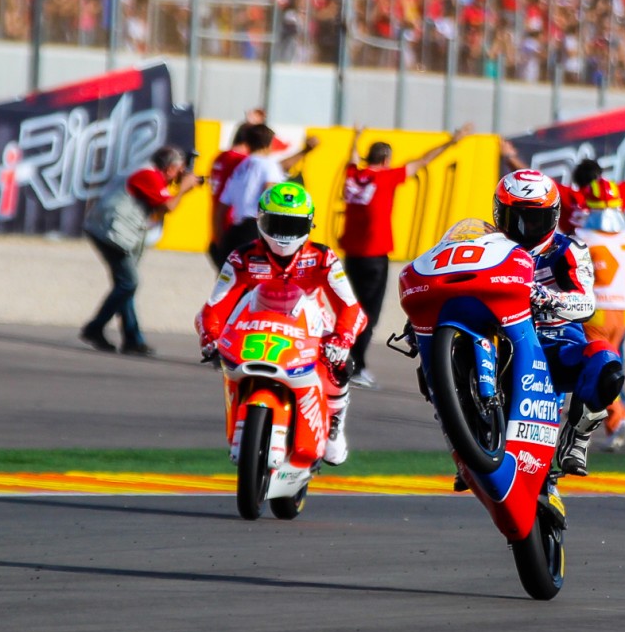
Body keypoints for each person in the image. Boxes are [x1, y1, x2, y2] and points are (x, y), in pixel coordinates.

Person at [196, 182, 368, 466]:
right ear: (260, 220)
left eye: (292, 225)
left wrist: (342, 339)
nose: (283, 234)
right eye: (276, 223)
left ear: (309, 226)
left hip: (309, 325)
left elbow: (351, 308)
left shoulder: (323, 258)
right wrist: (210, 337)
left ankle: (334, 423)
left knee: (341, 367)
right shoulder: (242, 258)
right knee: (225, 361)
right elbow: (213, 308)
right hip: (256, 324)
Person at [493, 169, 625, 477]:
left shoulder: (569, 250)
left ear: (552, 216)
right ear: (499, 213)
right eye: (516, 218)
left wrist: (550, 298)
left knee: (607, 363)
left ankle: (578, 435)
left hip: (554, 347)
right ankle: (467, 435)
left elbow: (587, 302)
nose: (525, 228)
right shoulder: (489, 246)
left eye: (535, 219)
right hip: (499, 342)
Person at [338, 123, 473, 389]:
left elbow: (353, 159)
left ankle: (342, 361)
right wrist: (452, 141)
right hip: (374, 256)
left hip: (351, 255)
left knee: (350, 309)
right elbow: (422, 161)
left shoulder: (353, 175)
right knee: (368, 314)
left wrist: (356, 137)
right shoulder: (386, 177)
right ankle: (357, 366)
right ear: (386, 160)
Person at [81, 145, 199, 356]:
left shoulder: (150, 174)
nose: (181, 174)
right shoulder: (148, 175)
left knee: (126, 285)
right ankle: (95, 328)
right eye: (179, 169)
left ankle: (132, 339)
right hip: (110, 231)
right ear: (170, 168)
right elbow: (168, 207)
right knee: (129, 282)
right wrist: (183, 188)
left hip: (113, 230)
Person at [572, 177, 625, 452]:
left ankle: (619, 418)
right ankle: (611, 423)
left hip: (595, 309)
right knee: (608, 365)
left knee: (595, 367)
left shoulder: (583, 238)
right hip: (622, 313)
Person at [211, 123, 285, 268]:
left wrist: (219, 235)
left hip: (236, 229)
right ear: (269, 143)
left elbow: (222, 205)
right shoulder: (269, 165)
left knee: (232, 280)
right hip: (256, 229)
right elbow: (270, 198)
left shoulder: (241, 166)